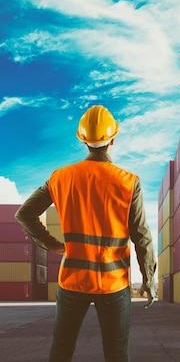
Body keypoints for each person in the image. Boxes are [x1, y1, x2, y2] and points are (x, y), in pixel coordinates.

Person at [15, 104, 157, 362]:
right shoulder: (128, 181)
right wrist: (149, 279)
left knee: (61, 352)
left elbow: (24, 214)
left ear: (83, 140)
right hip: (113, 284)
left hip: (72, 281)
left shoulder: (61, 177)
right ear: (113, 139)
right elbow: (142, 237)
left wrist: (54, 245)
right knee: (116, 355)